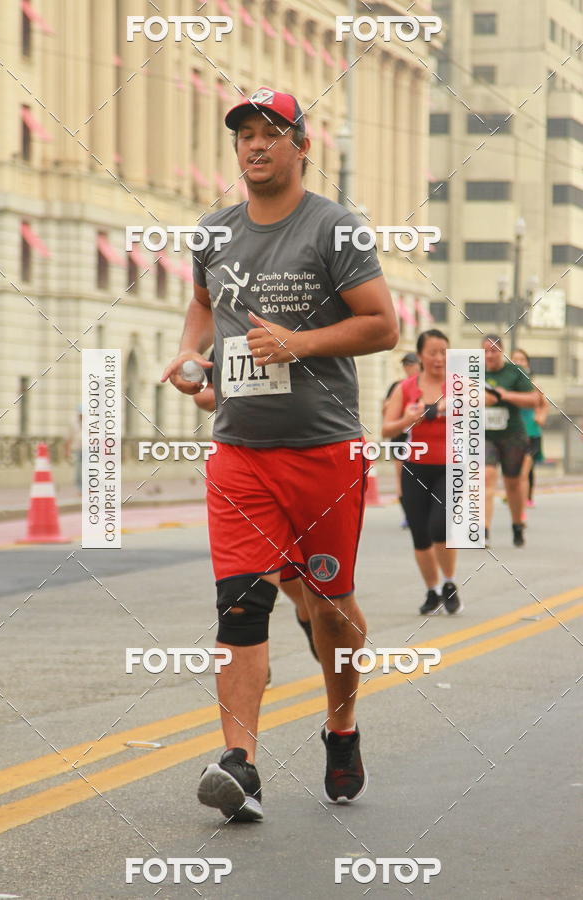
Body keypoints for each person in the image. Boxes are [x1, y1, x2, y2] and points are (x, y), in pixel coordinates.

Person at [162, 87, 398, 822]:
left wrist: (297, 343)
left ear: (303, 145)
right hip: (239, 450)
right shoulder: (213, 232)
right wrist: (188, 353)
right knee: (241, 604)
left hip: (324, 448)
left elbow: (382, 325)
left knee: (330, 605)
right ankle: (241, 765)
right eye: (244, 136)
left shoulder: (337, 229)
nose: (255, 146)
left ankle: (341, 725)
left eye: (271, 133)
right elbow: (203, 303)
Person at [192, 357, 319, 671]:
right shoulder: (228, 328)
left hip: (307, 459)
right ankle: (252, 647)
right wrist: (239, 394)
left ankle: (309, 613)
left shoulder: (303, 320)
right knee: (247, 593)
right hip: (244, 462)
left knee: (296, 569)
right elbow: (202, 392)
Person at [382, 329, 462, 615]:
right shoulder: (405, 389)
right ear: (421, 355)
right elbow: (387, 428)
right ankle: (433, 589)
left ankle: (450, 582)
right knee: (420, 534)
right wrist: (408, 418)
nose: (439, 358)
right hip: (415, 467)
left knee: (439, 527)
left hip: (450, 467)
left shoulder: (460, 386)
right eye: (432, 352)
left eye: (444, 352)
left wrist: (446, 408)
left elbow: (478, 405)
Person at [483, 335, 537, 547]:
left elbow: (533, 400)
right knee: (485, 477)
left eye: (494, 350)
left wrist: (504, 396)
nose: (490, 355)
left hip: (512, 435)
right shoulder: (474, 372)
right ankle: (483, 530)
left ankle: (517, 524)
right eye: (486, 351)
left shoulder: (514, 372)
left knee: (512, 484)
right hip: (485, 435)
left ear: (502, 351)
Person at [382, 352, 421, 527]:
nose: (408, 368)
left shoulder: (424, 385)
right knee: (401, 476)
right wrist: (391, 405)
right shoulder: (397, 386)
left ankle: (422, 510)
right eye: (406, 365)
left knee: (418, 474)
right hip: (400, 435)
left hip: (419, 436)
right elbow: (386, 411)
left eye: (411, 364)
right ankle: (408, 515)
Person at [510, 349, 549, 513]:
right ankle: (517, 496)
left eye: (522, 360)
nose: (518, 363)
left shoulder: (533, 385)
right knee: (516, 470)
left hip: (532, 434)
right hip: (512, 434)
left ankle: (524, 502)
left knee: (525, 471)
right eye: (515, 360)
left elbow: (544, 404)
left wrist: (540, 417)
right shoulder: (507, 386)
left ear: (527, 364)